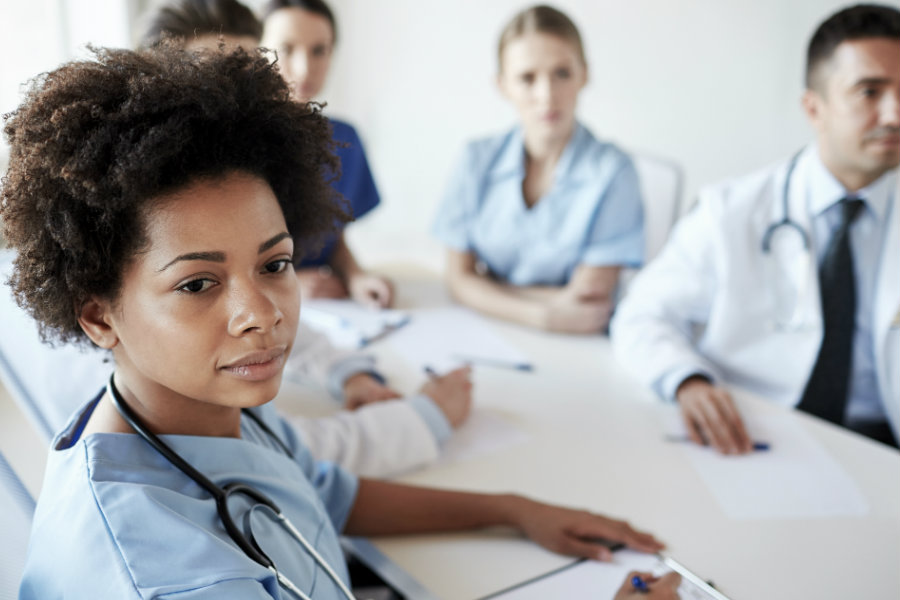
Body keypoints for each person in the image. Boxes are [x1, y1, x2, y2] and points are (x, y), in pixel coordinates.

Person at [4, 45, 667, 599]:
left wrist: (513, 509)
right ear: (97, 315)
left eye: (275, 264)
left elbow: (318, 491)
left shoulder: (197, 407)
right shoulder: (171, 575)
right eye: (198, 283)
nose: (261, 315)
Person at [611, 4, 900, 453]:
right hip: (760, 432)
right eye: (869, 92)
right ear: (814, 107)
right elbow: (641, 315)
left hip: (883, 448)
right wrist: (688, 380)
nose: (894, 114)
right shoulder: (730, 211)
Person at [432, 5, 644, 334]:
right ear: (503, 86)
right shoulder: (475, 159)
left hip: (579, 351)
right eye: (527, 78)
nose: (546, 95)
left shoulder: (614, 172)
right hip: (486, 332)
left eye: (561, 73)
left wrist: (485, 285)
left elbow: (588, 305)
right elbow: (456, 278)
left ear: (584, 74)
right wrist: (544, 314)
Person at [262, 0, 393, 308]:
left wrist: (355, 276)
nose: (305, 68)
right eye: (287, 48)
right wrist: (284, 283)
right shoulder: (229, 141)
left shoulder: (344, 141)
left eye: (319, 50)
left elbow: (331, 237)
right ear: (257, 49)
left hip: (326, 309)